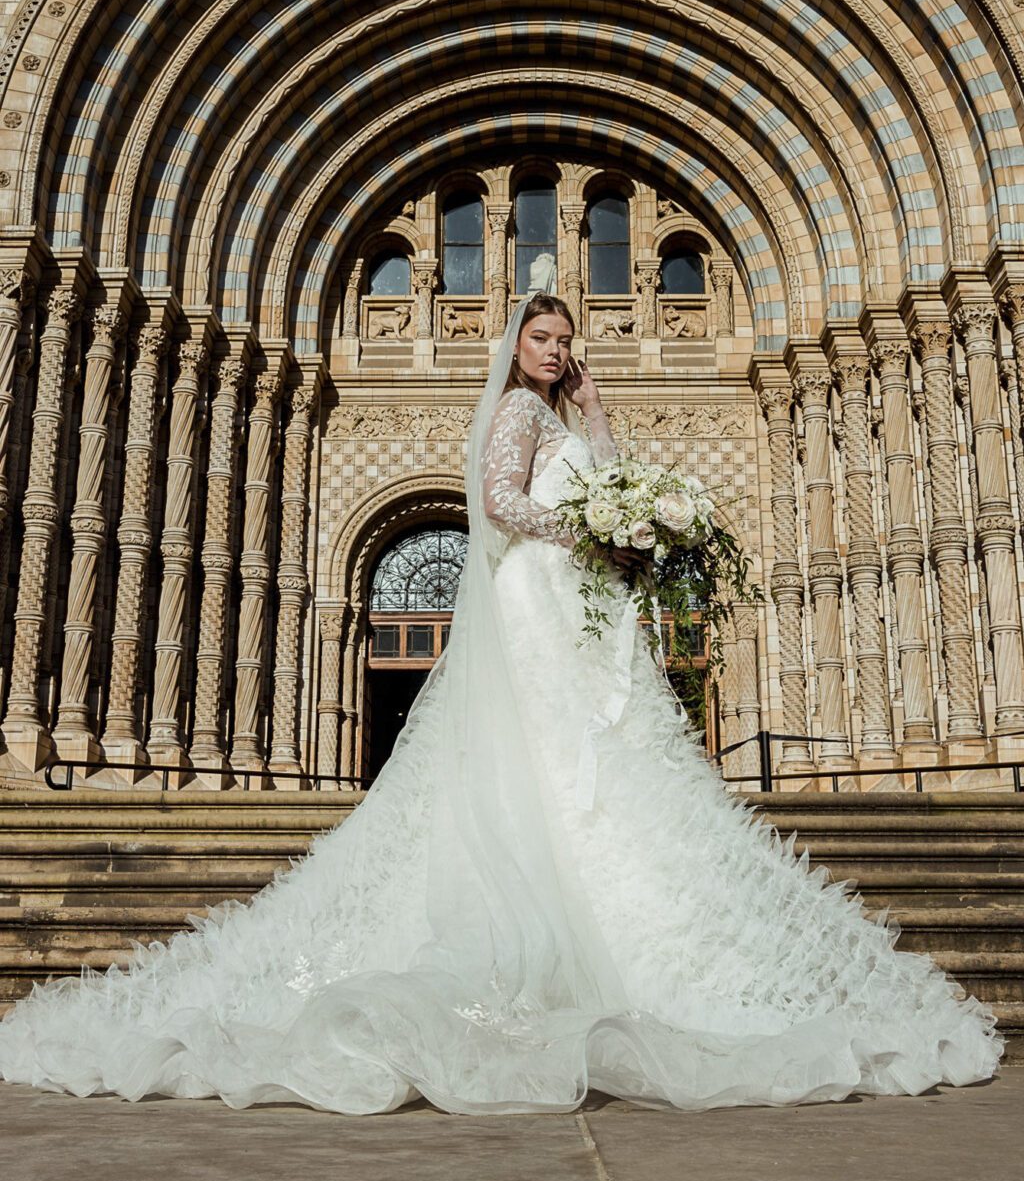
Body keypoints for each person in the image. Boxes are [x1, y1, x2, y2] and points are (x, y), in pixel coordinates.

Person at [0, 295, 1002, 1113]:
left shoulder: (567, 411)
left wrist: (606, 435)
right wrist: (589, 529)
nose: (557, 352)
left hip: (575, 593)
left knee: (597, 758)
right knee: (549, 747)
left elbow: (600, 477)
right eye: (543, 337)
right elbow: (499, 503)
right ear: (515, 344)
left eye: (567, 342)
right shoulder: (517, 414)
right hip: (538, 588)